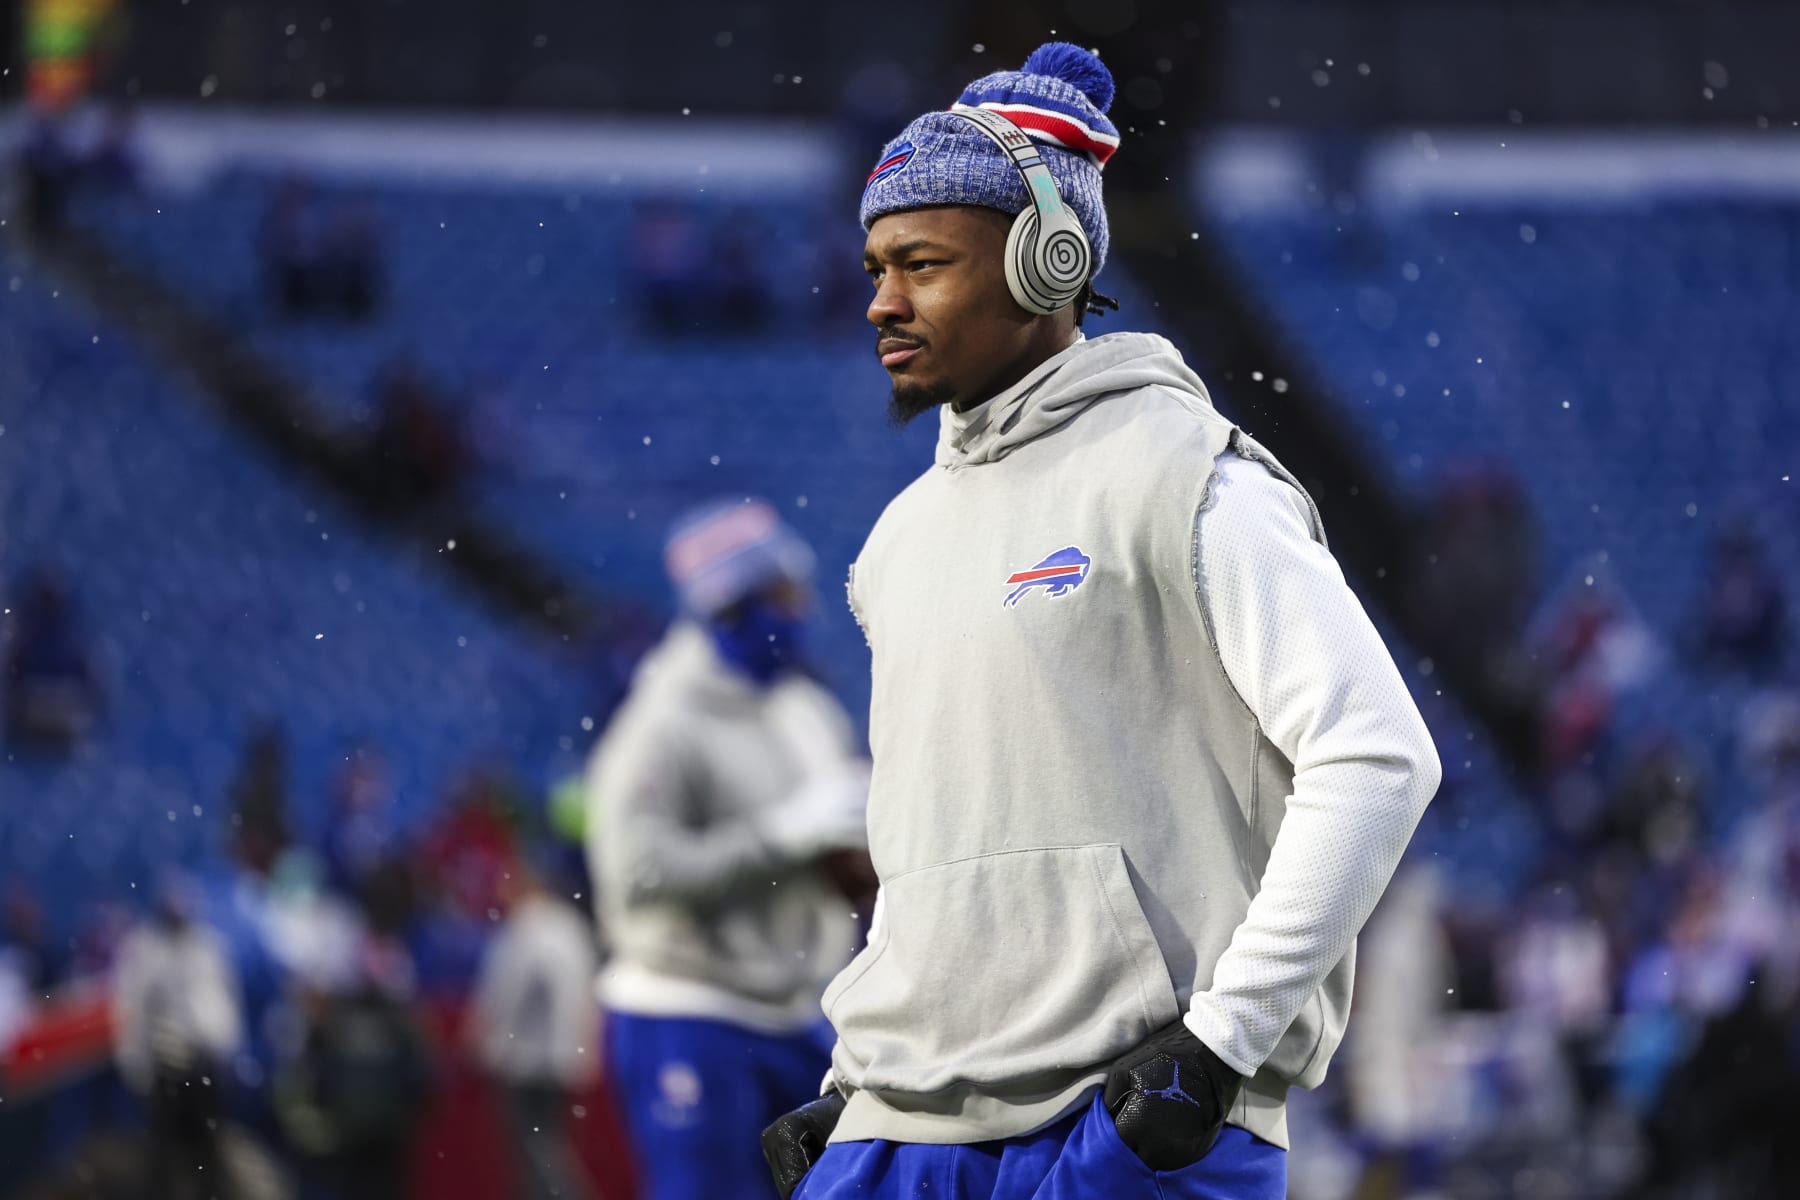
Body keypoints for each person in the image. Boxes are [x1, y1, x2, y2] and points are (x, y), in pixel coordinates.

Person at [762, 43, 1442, 1200]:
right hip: (894, 1133)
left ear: (1048, 258)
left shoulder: (1190, 477)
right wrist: (858, 1071)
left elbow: (1379, 757)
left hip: (1124, 1128)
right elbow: (932, 847)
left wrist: (1222, 1046)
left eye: (920, 263)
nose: (880, 299)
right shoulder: (897, 544)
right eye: (877, 265)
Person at [587, 498, 873, 1199]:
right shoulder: (661, 723)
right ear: (730, 605)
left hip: (795, 1003)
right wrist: (778, 839)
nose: (799, 609)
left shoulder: (806, 709)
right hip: (690, 1009)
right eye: (781, 594)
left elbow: (838, 856)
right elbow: (637, 873)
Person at [468, 859, 600, 1200]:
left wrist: (485, 1043)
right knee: (551, 1145)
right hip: (568, 1059)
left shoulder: (526, 928)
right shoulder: (571, 925)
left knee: (536, 1152)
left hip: (528, 1061)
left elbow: (509, 994)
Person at [112, 873, 244, 1200]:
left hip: (202, 1065)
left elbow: (224, 1003)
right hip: (165, 1067)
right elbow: (131, 1010)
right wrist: (136, 1064)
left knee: (207, 1152)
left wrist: (225, 1050)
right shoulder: (144, 948)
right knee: (163, 1155)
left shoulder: (208, 946)